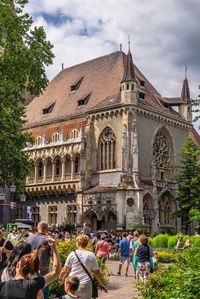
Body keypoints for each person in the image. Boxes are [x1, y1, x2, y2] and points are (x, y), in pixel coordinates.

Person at [59, 234, 107, 299]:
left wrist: (61, 279)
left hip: (72, 285)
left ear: (78, 242)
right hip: (86, 284)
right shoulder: (91, 255)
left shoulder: (72, 254)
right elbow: (97, 272)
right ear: (86, 243)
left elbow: (64, 269)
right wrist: (101, 283)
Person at [26, 221, 52, 299]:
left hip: (29, 272)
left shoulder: (29, 238)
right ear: (47, 229)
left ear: (37, 228)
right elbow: (53, 258)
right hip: (43, 274)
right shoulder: (48, 240)